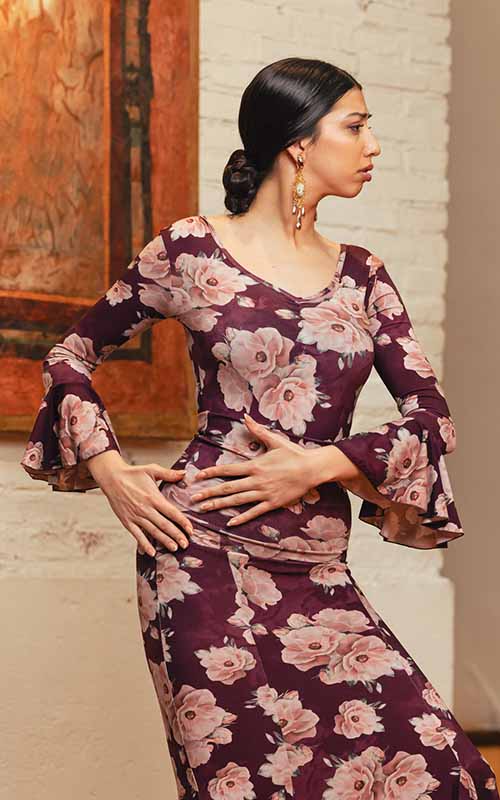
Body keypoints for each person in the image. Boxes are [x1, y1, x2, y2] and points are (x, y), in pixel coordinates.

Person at [21, 57, 497, 800]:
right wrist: (111, 471)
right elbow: (70, 355)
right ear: (299, 143)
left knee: (443, 774)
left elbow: (432, 417)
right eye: (355, 127)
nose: (372, 145)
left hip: (319, 565)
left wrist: (320, 464)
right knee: (246, 783)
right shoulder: (189, 250)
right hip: (198, 556)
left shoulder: (364, 275)